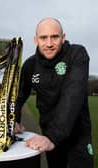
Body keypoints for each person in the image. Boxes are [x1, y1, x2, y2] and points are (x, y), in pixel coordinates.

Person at [14, 17, 94, 168]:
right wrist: (14, 119)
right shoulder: (30, 65)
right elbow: (18, 96)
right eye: (43, 38)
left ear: (63, 38)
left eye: (55, 37)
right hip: (50, 134)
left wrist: (52, 137)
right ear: (35, 40)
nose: (49, 43)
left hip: (77, 137)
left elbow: (72, 96)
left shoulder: (77, 54)